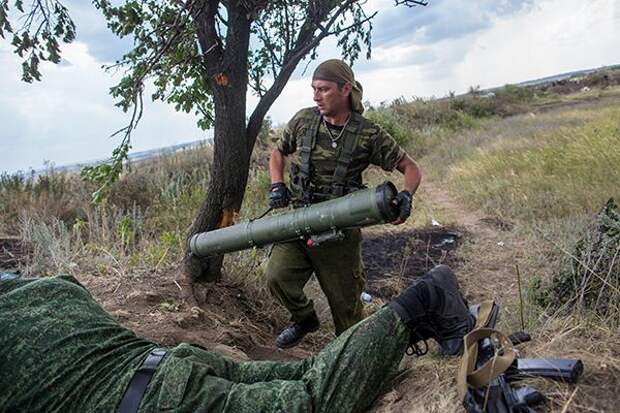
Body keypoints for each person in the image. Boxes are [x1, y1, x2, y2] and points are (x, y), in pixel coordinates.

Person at [0, 265, 472, 413]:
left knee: (313, 400)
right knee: (307, 371)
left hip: (164, 402)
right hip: (170, 363)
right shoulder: (45, 288)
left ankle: (424, 299)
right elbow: (68, 285)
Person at [267, 58, 422, 348]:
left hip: (339, 232)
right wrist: (277, 184)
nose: (316, 96)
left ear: (345, 88)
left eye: (323, 89)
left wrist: (406, 194)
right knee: (277, 276)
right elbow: (278, 153)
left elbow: (410, 167)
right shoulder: (303, 120)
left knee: (347, 314)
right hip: (298, 222)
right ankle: (305, 319)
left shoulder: (368, 133)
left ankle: (354, 362)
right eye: (313, 89)